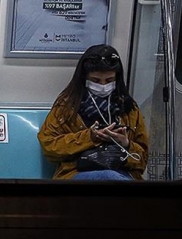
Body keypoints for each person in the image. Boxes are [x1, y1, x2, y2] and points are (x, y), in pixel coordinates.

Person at [37, 44, 149, 180]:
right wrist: (90, 137)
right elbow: (49, 146)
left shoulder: (129, 108)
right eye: (95, 80)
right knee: (110, 178)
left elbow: (142, 160)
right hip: (77, 172)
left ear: (117, 79)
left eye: (109, 81)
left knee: (115, 180)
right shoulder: (66, 107)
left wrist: (126, 144)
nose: (103, 86)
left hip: (122, 172)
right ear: (85, 78)